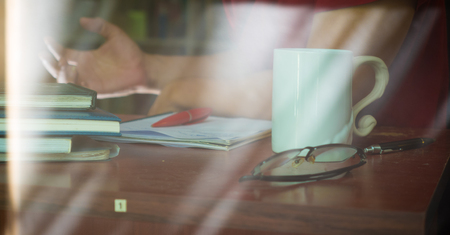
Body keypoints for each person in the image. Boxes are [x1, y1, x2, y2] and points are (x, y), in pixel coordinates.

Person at [40, 0, 448, 128]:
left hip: (393, 190)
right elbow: (262, 66)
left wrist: (187, 91)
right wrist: (146, 70)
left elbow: (313, 95)